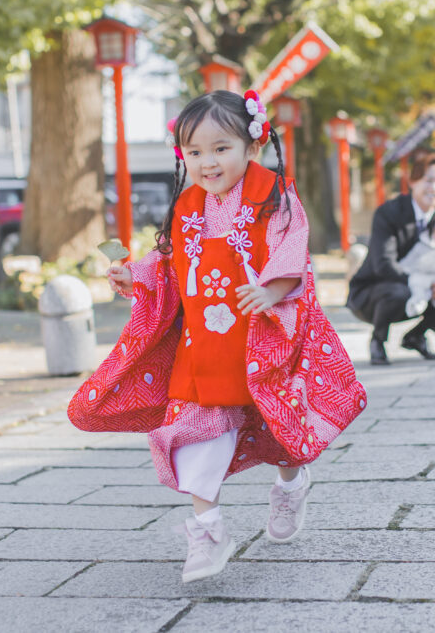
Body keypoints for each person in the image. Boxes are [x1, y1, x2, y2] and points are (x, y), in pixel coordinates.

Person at [67, 90, 366, 584]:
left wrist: (272, 291)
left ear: (253, 143)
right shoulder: (187, 206)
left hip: (264, 339)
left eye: (220, 148)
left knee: (280, 429)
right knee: (194, 433)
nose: (208, 162)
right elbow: (167, 261)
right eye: (195, 151)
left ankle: (291, 485)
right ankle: (208, 531)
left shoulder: (274, 195)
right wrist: (136, 276)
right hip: (204, 344)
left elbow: (293, 250)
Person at [347, 154, 435, 365]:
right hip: (375, 292)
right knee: (399, 291)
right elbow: (384, 265)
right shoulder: (388, 213)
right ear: (413, 181)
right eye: (429, 180)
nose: (434, 187)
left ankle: (416, 336)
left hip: (423, 290)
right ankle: (378, 340)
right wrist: (421, 282)